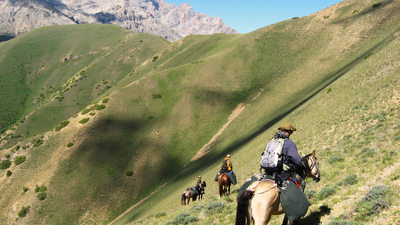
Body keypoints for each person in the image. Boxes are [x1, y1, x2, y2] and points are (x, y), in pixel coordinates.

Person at [272, 122, 303, 188]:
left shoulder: (273, 141)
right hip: (283, 173)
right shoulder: (288, 143)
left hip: (270, 172)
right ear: (288, 131)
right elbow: (298, 161)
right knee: (301, 183)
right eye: (291, 132)